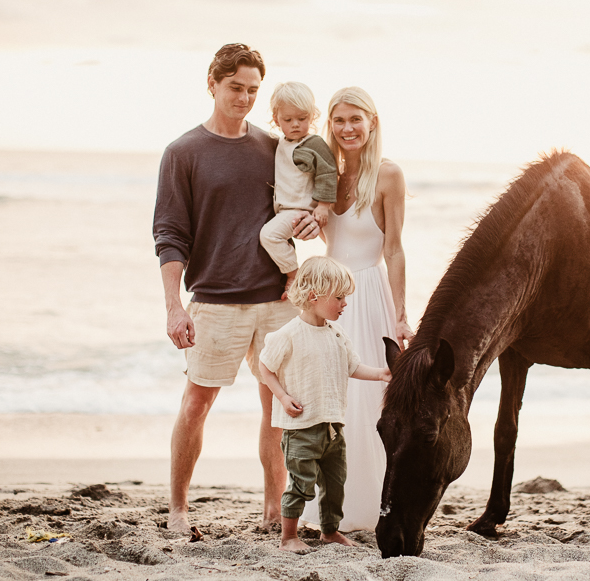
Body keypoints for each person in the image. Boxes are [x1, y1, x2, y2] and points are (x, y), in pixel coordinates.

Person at [152, 43, 318, 533]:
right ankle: (179, 508)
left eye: (252, 90)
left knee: (279, 409)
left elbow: (298, 203)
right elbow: (169, 234)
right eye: (235, 88)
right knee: (197, 403)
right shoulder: (183, 153)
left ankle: (273, 510)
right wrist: (173, 306)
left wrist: (310, 222)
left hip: (277, 301)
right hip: (215, 302)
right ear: (212, 83)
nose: (244, 98)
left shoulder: (274, 148)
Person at [300, 86, 414, 532]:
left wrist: (401, 314)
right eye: (338, 120)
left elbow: (396, 249)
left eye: (355, 119)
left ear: (372, 122)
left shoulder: (388, 175)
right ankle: (325, 507)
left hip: (367, 294)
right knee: (328, 397)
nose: (347, 129)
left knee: (370, 401)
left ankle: (369, 509)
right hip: (326, 297)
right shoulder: (324, 174)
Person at [259, 256, 392, 552]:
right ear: (313, 296)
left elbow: (352, 366)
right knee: (300, 484)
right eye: (340, 297)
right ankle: (288, 537)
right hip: (301, 428)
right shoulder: (289, 334)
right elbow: (265, 367)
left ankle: (329, 531)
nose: (345, 304)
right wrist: (282, 396)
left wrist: (381, 374)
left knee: (334, 485)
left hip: (333, 427)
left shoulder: (337, 334)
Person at [259, 82, 337, 298]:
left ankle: (294, 274)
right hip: (283, 209)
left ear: (312, 116)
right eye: (288, 119)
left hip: (299, 210)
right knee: (273, 235)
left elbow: (328, 171)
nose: (295, 125)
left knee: (269, 236)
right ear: (276, 120)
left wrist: (323, 205)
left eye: (302, 119)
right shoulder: (281, 143)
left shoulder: (313, 144)